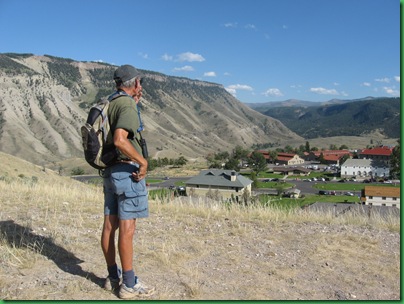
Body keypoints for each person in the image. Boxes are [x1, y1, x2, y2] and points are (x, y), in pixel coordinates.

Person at [100, 64, 154, 299]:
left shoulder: (112, 101)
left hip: (110, 173)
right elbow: (121, 140)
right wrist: (142, 162)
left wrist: (134, 102)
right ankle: (129, 284)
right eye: (139, 82)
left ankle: (113, 277)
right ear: (136, 82)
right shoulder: (127, 105)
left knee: (109, 226)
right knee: (127, 228)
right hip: (127, 174)